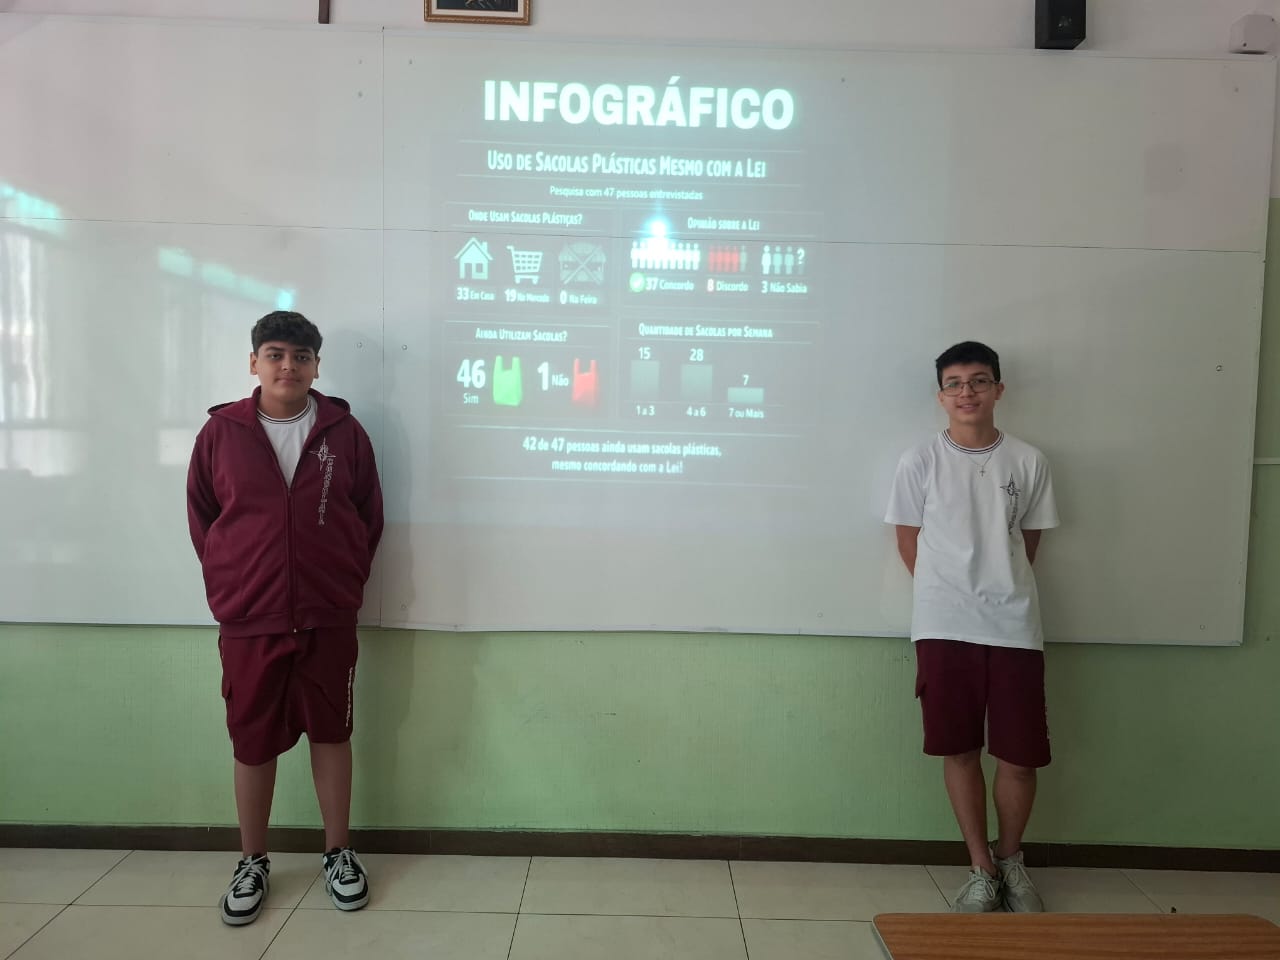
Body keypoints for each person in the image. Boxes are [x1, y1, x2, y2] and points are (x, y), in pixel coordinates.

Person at [187, 310, 383, 925]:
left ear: (317, 366)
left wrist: (342, 581)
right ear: (254, 363)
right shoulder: (221, 434)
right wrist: (236, 584)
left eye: (301, 357)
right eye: (275, 354)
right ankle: (252, 860)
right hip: (252, 618)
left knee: (332, 732)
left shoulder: (344, 432)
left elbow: (367, 517)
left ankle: (338, 852)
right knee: (252, 740)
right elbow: (204, 519)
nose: (288, 366)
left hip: (327, 615)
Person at [884, 341, 1059, 913]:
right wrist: (949, 593)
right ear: (941, 396)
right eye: (955, 383)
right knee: (959, 749)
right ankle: (980, 868)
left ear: (998, 389)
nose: (967, 392)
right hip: (943, 626)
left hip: (1013, 625)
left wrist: (997, 585)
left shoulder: (1029, 460)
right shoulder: (919, 460)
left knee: (1020, 756)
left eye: (979, 381)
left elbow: (1028, 541)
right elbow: (907, 538)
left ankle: (1011, 862)